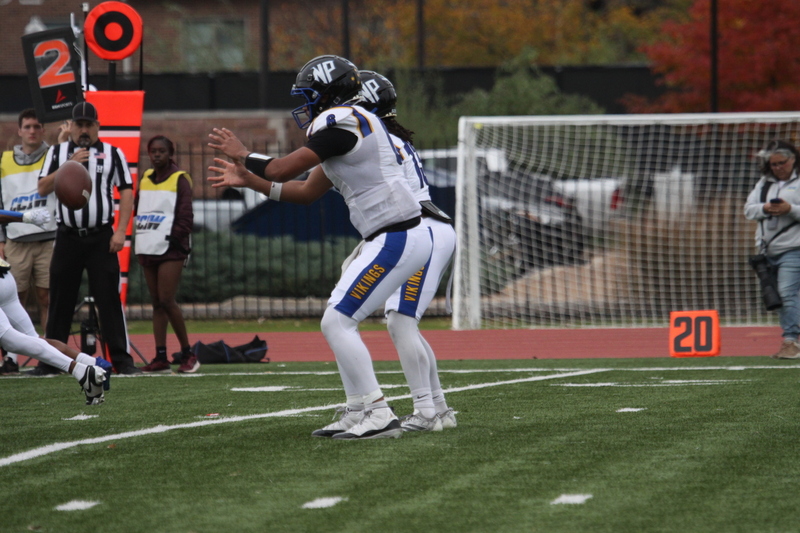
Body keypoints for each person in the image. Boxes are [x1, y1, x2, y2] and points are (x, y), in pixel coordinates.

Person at [208, 55, 432, 440]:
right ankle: (359, 408)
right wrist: (249, 180)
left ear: (326, 93)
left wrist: (244, 153)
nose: (304, 103)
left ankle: (378, 412)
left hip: (397, 234)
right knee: (340, 319)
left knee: (336, 321)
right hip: (392, 235)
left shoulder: (342, 121)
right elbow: (304, 192)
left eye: (308, 94)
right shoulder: (349, 130)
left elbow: (281, 169)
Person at [358, 70, 457, 431]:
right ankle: (438, 408)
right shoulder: (385, 136)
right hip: (429, 227)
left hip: (421, 229)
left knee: (400, 322)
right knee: (405, 324)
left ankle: (427, 411)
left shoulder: (370, 139)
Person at [32, 101, 140, 375]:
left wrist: (120, 231)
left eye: (88, 125)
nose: (83, 130)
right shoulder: (57, 152)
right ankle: (50, 362)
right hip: (67, 236)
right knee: (60, 301)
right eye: (78, 124)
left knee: (108, 300)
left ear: (97, 127)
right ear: (71, 126)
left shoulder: (112, 153)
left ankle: (122, 361)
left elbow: (126, 191)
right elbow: (43, 188)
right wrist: (67, 165)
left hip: (100, 237)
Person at [0, 210, 110, 404]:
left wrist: (23, 217)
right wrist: (23, 217)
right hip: (5, 278)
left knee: (9, 339)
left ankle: (82, 371)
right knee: (33, 340)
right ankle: (93, 363)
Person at [0, 109, 59, 374]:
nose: (33, 131)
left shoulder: (53, 155)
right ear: (20, 130)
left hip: (47, 236)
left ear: (43, 129)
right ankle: (11, 356)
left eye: (37, 126)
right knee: (15, 298)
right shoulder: (4, 160)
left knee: (46, 297)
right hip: (16, 238)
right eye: (28, 126)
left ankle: (48, 356)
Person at [135, 135, 197, 373]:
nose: (157, 155)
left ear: (170, 153)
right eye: (153, 151)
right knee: (156, 303)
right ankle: (161, 357)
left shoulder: (180, 179)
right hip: (148, 246)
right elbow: (140, 209)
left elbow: (186, 215)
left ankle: (188, 353)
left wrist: (175, 237)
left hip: (171, 248)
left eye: (161, 151)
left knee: (166, 299)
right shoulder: (146, 178)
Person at [744, 139, 800, 360]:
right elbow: (748, 210)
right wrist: (766, 208)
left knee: (786, 293)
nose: (778, 168)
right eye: (774, 164)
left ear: (793, 160)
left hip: (795, 248)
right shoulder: (763, 184)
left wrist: (790, 209)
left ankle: (790, 341)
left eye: (782, 163)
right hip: (768, 250)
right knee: (776, 297)